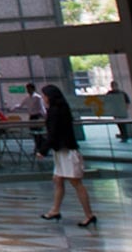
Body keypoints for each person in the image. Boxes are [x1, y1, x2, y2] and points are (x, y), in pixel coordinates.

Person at [39, 85, 95, 227]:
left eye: (44, 95)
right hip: (62, 151)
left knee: (76, 183)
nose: (43, 98)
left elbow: (53, 133)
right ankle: (55, 210)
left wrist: (43, 149)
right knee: (58, 179)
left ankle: (89, 214)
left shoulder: (55, 111)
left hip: (66, 152)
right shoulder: (61, 109)